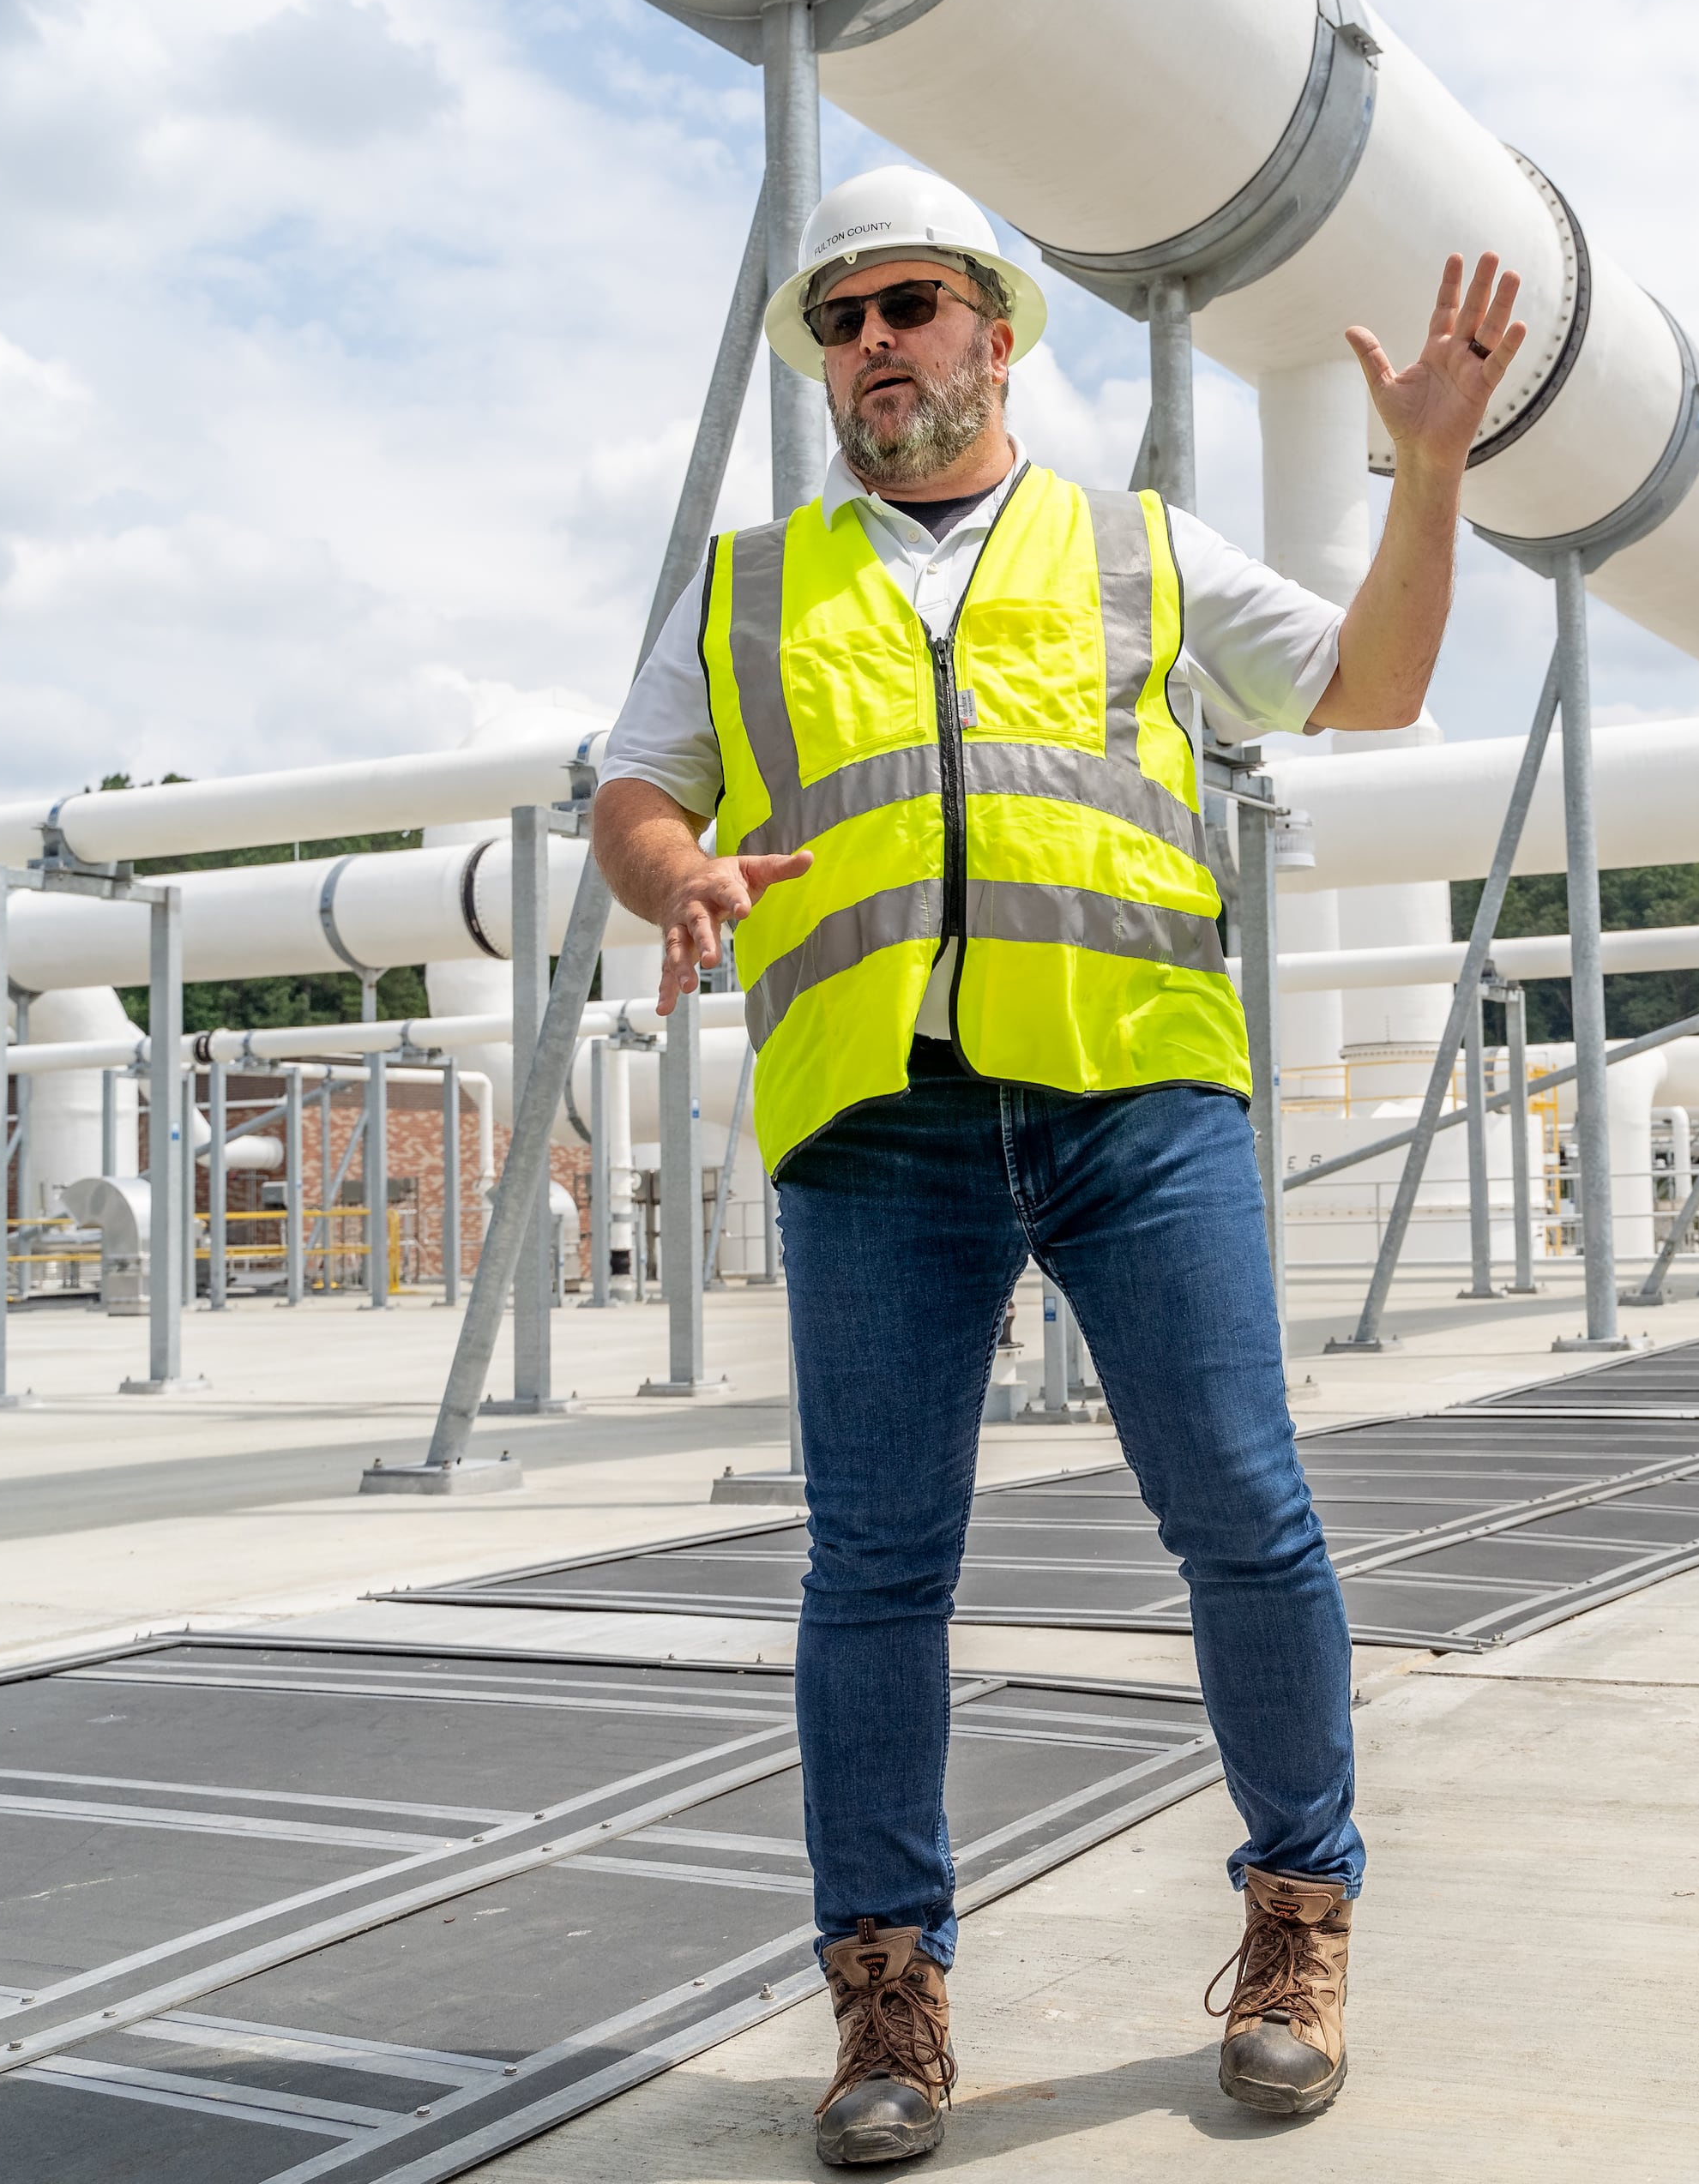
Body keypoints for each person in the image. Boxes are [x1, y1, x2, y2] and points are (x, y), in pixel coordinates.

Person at [592, 160, 1521, 2167]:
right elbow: (635, 785)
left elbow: (1376, 687)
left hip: (1132, 1097)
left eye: (906, 305)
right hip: (876, 1125)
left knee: (1245, 1515)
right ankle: (888, 1989)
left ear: (994, 329)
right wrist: (678, 872)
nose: (871, 347)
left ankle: (1298, 1917)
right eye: (839, 322)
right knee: (876, 1568)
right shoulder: (752, 586)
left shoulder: (1137, 550)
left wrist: (1424, 470)